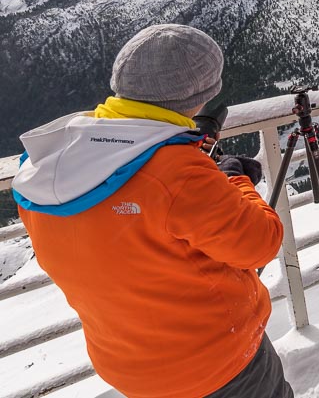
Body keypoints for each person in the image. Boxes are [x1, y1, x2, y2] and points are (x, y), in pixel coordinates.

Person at [12, 24, 291, 398]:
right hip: (215, 364)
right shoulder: (177, 174)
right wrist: (233, 178)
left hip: (128, 366)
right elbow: (260, 243)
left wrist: (186, 154)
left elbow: (135, 234)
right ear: (204, 94)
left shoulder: (47, 162)